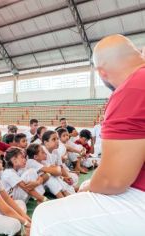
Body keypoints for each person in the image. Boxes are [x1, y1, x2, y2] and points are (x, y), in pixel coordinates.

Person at [31, 35, 145, 236]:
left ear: (101, 72)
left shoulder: (132, 89)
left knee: (45, 216)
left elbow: (113, 181)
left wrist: (90, 187)